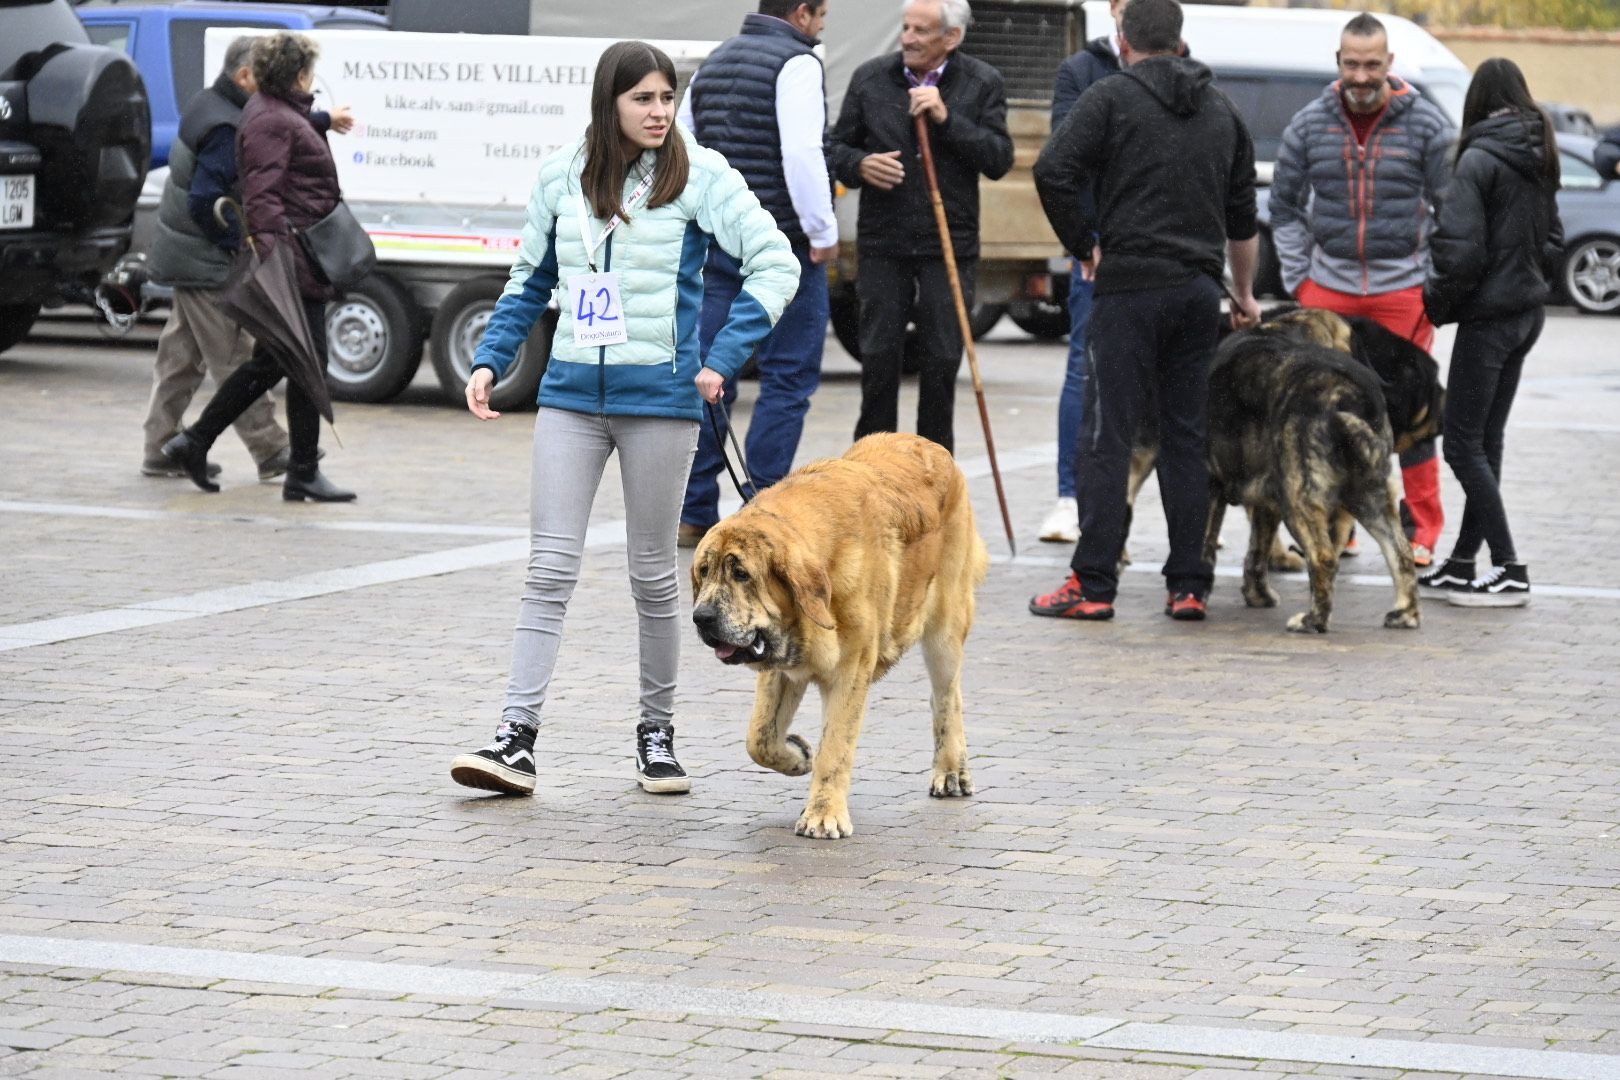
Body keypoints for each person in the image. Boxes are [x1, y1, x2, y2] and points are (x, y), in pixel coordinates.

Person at [447, 41, 799, 798]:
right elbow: (529, 279)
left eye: (667, 98)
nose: (659, 112)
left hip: (662, 404)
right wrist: (490, 359)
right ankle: (515, 738)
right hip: (570, 398)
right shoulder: (558, 176)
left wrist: (724, 355)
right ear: (610, 103)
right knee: (548, 571)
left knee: (653, 578)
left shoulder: (700, 174)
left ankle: (656, 734)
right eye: (642, 99)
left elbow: (778, 262)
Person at [1028, 0, 1260, 623]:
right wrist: (1243, 294)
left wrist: (1084, 244)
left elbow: (1052, 168)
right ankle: (1189, 585)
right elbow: (1243, 220)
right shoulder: (1222, 109)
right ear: (1180, 44)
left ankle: (1093, 583)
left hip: (1128, 288)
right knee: (1186, 439)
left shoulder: (1109, 99)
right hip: (1196, 294)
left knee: (1111, 438)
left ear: (1124, 42)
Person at [1268, 13, 1455, 567]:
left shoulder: (1427, 125)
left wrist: (1432, 284)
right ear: (1338, 63)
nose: (1362, 75)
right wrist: (1302, 279)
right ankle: (1334, 524)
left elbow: (1452, 211)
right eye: (1352, 63)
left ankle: (1421, 531)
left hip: (1404, 291)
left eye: (1372, 64)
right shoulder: (1308, 124)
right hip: (1328, 291)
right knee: (1321, 410)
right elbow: (1282, 208)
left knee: (1412, 411)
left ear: (1390, 64)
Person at [159, 32, 355, 502]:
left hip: (297, 255)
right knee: (307, 362)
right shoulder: (270, 118)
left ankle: (196, 441)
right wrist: (275, 261)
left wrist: (326, 119)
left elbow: (294, 127)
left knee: (275, 362)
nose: (312, 80)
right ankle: (300, 470)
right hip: (291, 259)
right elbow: (263, 197)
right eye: (308, 72)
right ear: (296, 74)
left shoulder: (277, 111)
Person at [674, 0, 838, 549]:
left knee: (711, 379)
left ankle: (693, 511)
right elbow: (801, 154)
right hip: (783, 248)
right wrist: (821, 231)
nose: (821, 28)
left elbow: (684, 150)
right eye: (820, 16)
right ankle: (761, 512)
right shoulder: (798, 63)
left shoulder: (715, 62)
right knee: (788, 379)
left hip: (721, 247)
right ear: (801, 12)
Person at [828, 0, 1012, 454]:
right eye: (906, 27)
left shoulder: (982, 82)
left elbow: (998, 159)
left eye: (921, 30)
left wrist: (949, 120)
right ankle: (871, 470)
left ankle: (932, 472)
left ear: (952, 37)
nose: (908, 37)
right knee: (878, 359)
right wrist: (859, 164)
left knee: (942, 361)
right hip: (883, 242)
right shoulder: (872, 77)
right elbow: (834, 147)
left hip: (949, 242)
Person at [1419, 59, 1562, 608]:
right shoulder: (1539, 154)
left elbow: (1458, 249)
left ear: (1476, 100)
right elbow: (1553, 236)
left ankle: (1509, 567)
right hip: (1527, 315)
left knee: (1459, 444)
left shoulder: (1478, 158)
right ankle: (1461, 564)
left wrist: (1436, 303)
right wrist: (1530, 279)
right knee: (1486, 441)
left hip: (1491, 321)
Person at [1039, 0, 1131, 544]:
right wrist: (1082, 239)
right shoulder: (1083, 70)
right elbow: (1064, 159)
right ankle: (1069, 497)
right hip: (1098, 252)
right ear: (1114, 8)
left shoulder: (1182, 64)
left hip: (1157, 252)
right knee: (1083, 369)